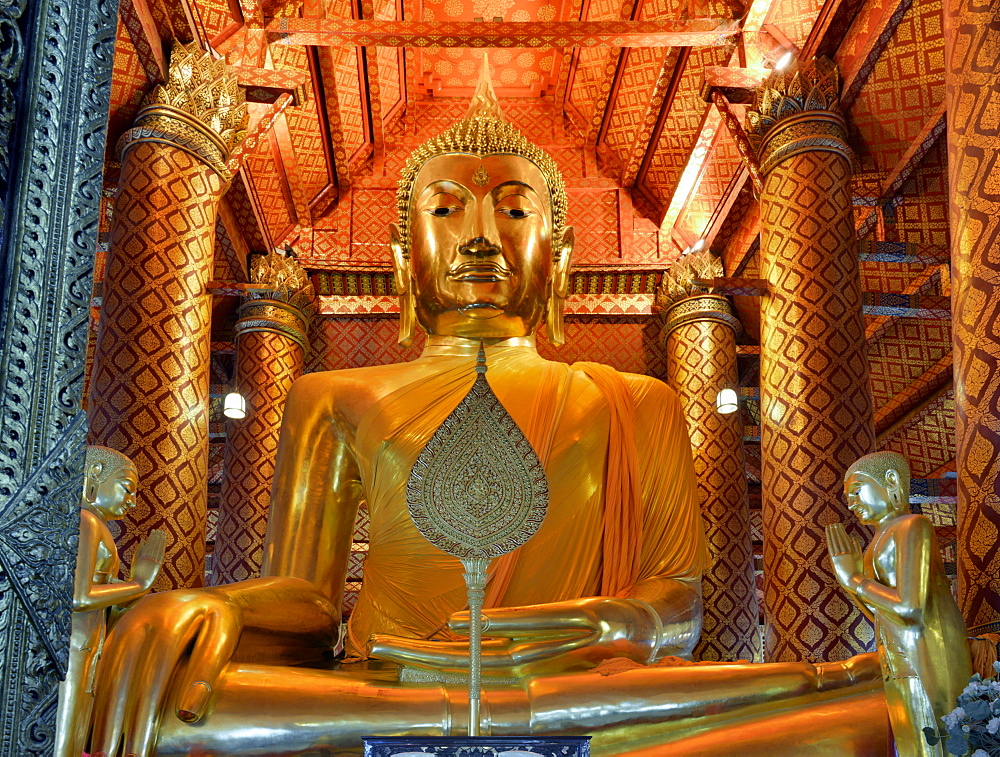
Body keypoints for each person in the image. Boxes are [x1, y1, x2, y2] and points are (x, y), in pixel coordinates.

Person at [89, 65, 884, 757]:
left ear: (559, 256)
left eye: (512, 210)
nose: (478, 237)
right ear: (404, 261)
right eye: (445, 211)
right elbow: (307, 603)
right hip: (383, 690)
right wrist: (209, 606)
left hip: (579, 690)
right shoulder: (332, 397)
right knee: (179, 711)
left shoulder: (637, 401)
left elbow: (676, 607)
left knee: (860, 711)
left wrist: (594, 627)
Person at [828, 451, 972, 756]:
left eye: (856, 491)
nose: (852, 503)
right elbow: (883, 614)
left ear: (891, 481)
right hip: (897, 659)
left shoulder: (912, 526)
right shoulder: (873, 545)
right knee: (911, 744)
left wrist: (855, 580)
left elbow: (910, 608)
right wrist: (851, 584)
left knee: (937, 742)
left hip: (928, 652)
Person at [54, 445, 164, 757]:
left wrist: (133, 596)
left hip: (88, 648)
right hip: (71, 648)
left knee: (76, 737)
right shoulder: (86, 520)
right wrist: (139, 584)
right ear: (96, 474)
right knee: (63, 740)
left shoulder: (96, 526)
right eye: (126, 487)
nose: (131, 500)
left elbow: (101, 598)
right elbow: (79, 596)